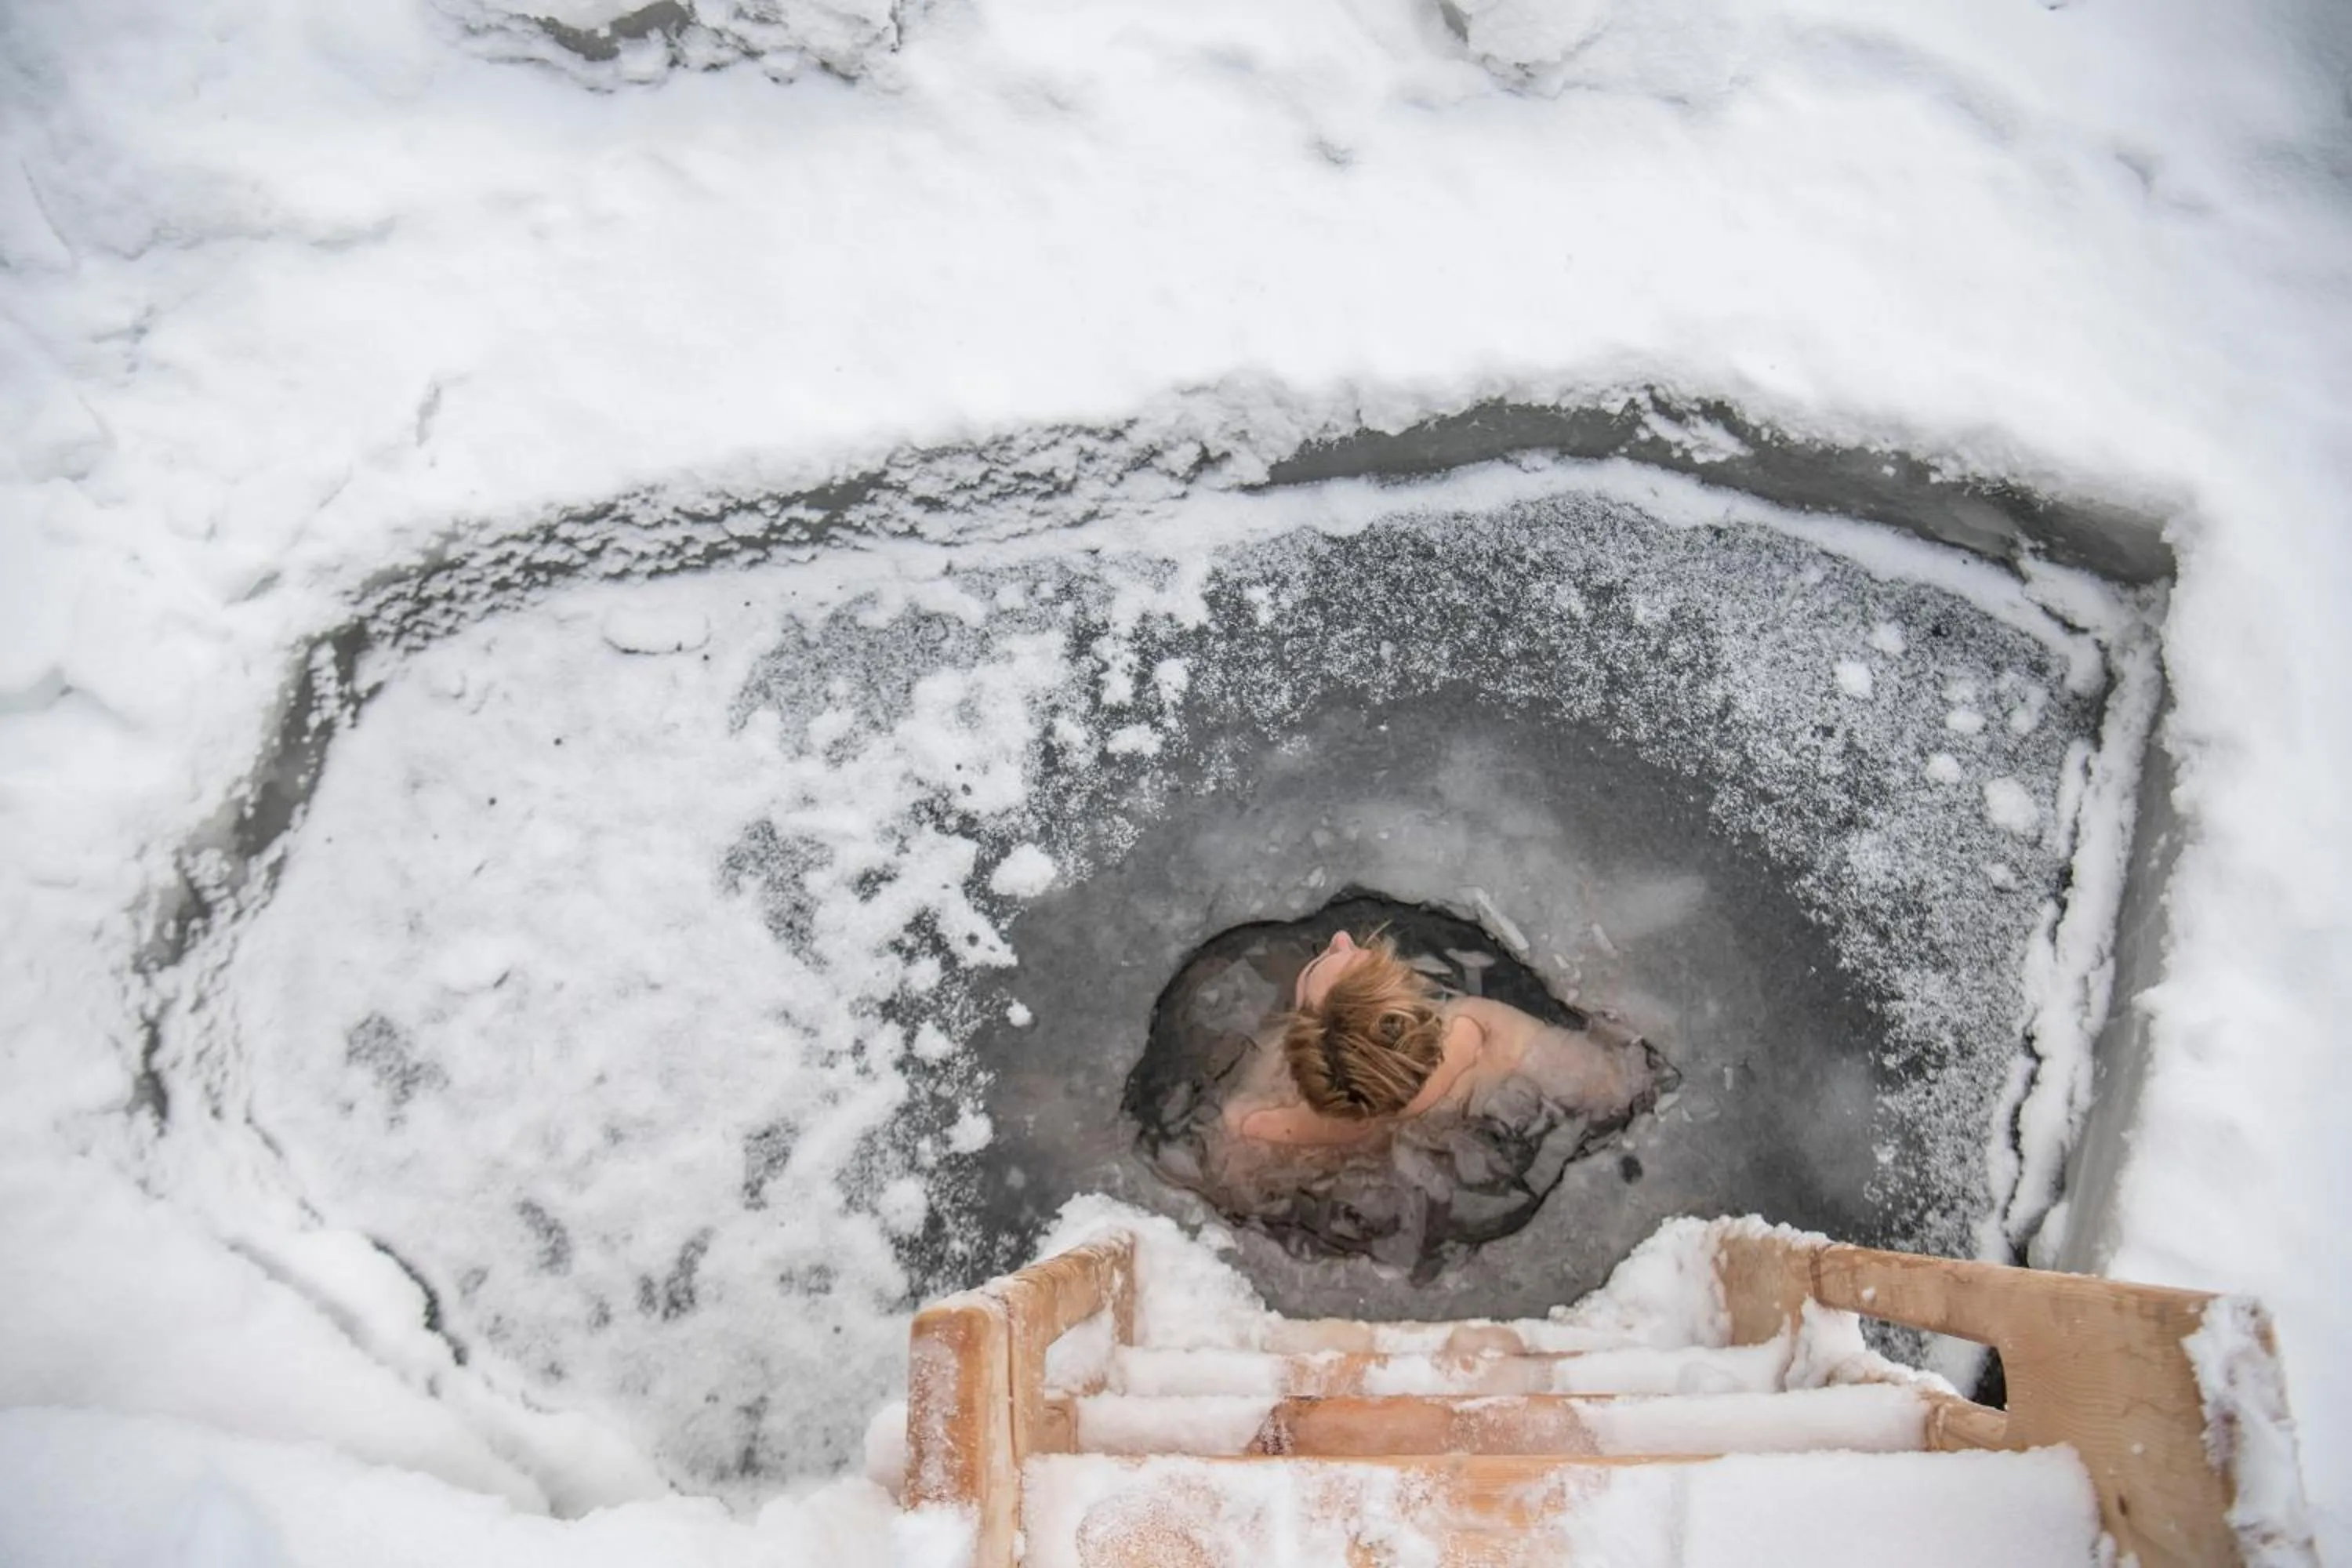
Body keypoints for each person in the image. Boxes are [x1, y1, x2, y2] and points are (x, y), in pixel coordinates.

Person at [1221, 929, 1665, 1147]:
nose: (1340, 938)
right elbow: (1611, 1084)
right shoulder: (1480, 1031)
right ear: (1413, 1008)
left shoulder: (1262, 1123)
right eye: (1341, 956)